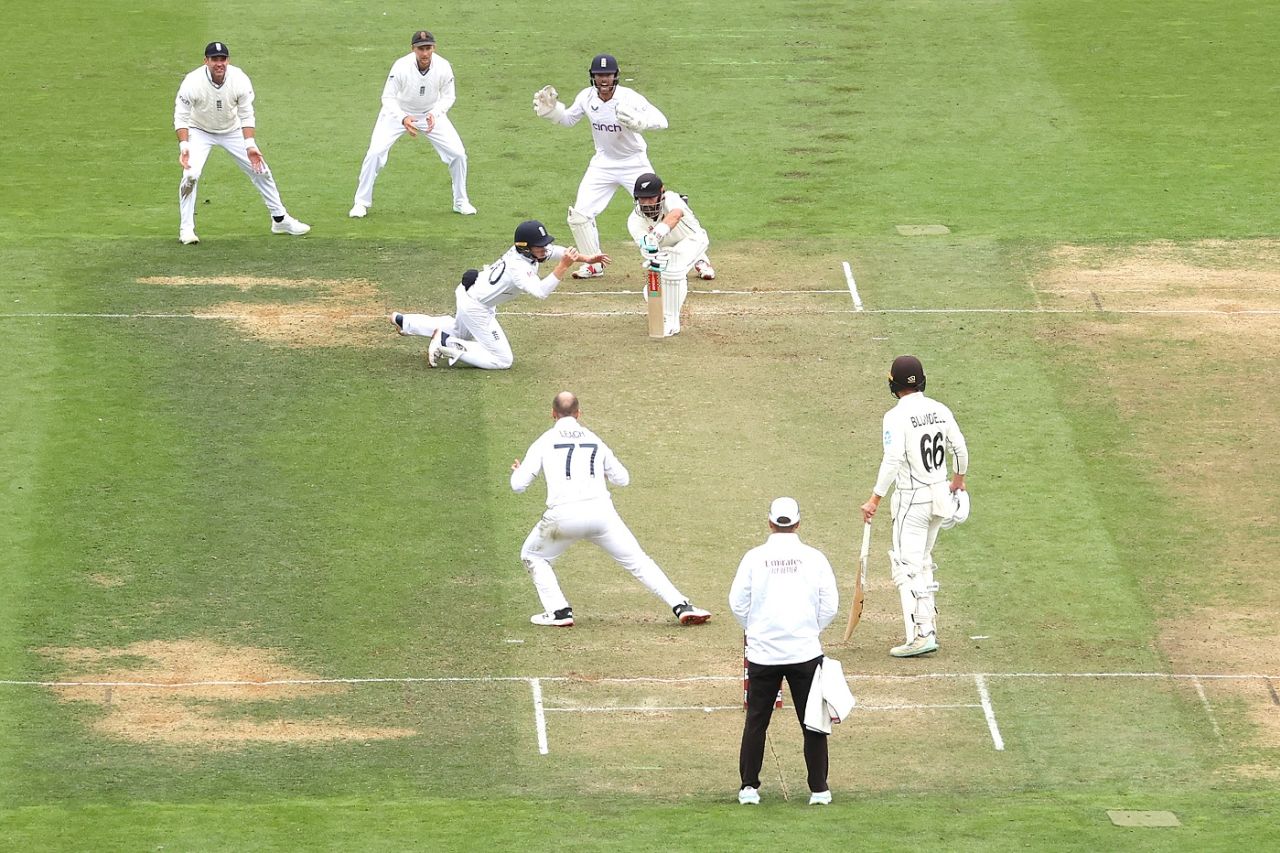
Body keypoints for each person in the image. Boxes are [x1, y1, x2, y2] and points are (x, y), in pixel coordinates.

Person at [510, 391, 712, 628]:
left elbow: (518, 486)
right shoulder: (595, 440)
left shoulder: (544, 440)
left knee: (533, 555)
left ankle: (559, 611)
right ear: (578, 413)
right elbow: (623, 479)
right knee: (639, 561)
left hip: (562, 520)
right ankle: (682, 605)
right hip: (602, 516)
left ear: (553, 414)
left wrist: (518, 471)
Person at [532, 54, 715, 281]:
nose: (603, 80)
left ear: (615, 76)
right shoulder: (586, 97)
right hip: (603, 163)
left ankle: (700, 260)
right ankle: (594, 263)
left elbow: (662, 120)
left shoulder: (629, 98)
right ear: (593, 77)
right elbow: (569, 119)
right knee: (579, 215)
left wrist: (641, 122)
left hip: (634, 162)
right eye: (599, 76)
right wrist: (553, 112)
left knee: (659, 209)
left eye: (607, 75)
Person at [731, 497, 839, 806]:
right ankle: (819, 789)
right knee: (813, 722)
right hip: (805, 652)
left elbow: (737, 603)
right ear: (798, 523)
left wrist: (756, 630)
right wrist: (809, 629)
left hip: (763, 654)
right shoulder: (814, 558)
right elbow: (830, 604)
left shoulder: (754, 558)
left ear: (769, 522)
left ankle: (748, 788)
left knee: (756, 720)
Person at [859, 355, 969, 658]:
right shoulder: (940, 409)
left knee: (906, 567)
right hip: (940, 497)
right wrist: (958, 480)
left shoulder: (895, 417)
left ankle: (921, 634)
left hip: (912, 499)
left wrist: (875, 499)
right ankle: (928, 626)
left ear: (893, 384)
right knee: (922, 560)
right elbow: (959, 447)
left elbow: (893, 460)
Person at [389, 221, 609, 369]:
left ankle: (406, 322)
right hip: (476, 307)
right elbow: (541, 292)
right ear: (526, 248)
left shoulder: (529, 252)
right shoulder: (518, 268)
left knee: (460, 328)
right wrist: (563, 267)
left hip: (470, 295)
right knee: (503, 360)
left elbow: (559, 251)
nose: (544, 250)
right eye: (539, 247)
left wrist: (587, 259)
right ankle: (446, 342)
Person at [173, 41, 310, 245]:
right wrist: (184, 146)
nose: (219, 63)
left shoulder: (239, 79)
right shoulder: (192, 82)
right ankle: (186, 229)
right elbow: (181, 117)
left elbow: (247, 114)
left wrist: (250, 145)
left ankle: (280, 219)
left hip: (232, 130)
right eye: (214, 59)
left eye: (223, 59)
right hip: (199, 130)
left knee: (261, 170)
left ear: (228, 60)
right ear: (206, 61)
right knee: (191, 175)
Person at [349, 30, 475, 218]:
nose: (425, 53)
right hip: (397, 114)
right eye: (420, 49)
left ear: (434, 48)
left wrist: (435, 113)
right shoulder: (401, 66)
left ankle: (460, 201)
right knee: (375, 153)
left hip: (430, 114)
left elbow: (449, 96)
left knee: (458, 154)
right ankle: (361, 203)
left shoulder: (443, 66)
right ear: (413, 49)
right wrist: (403, 118)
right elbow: (388, 97)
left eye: (428, 48)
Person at [627, 172, 709, 336]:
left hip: (694, 239)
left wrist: (656, 234)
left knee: (675, 268)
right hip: (667, 251)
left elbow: (676, 215)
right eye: (642, 199)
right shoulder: (634, 221)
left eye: (651, 198)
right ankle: (667, 314)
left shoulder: (671, 198)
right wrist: (651, 251)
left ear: (661, 193)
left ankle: (672, 323)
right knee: (651, 289)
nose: (647, 203)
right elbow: (647, 248)